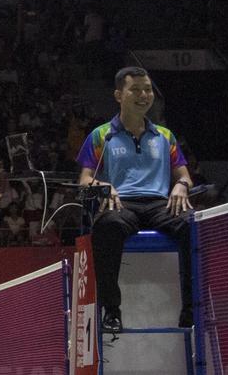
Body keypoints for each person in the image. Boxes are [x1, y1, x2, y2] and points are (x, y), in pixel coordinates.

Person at [77, 66, 194, 333]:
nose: (144, 95)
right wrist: (104, 186)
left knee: (193, 226)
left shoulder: (165, 136)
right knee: (107, 226)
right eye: (136, 90)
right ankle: (111, 312)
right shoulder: (101, 135)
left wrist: (181, 186)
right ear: (119, 95)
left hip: (160, 204)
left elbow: (185, 176)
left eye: (148, 90)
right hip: (120, 204)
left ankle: (191, 311)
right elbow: (85, 179)